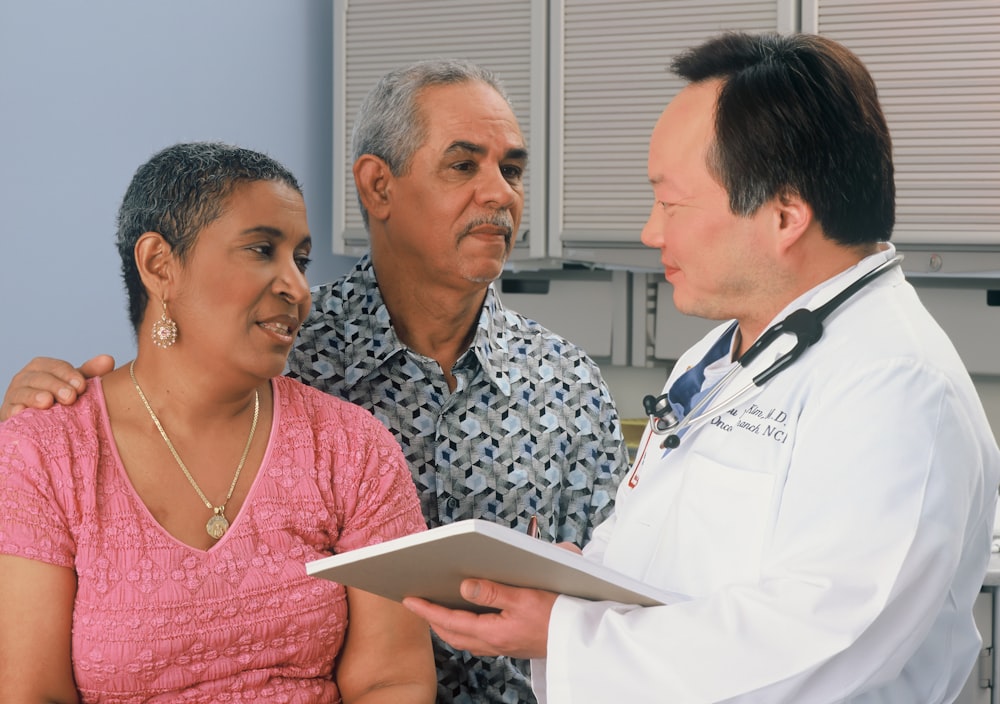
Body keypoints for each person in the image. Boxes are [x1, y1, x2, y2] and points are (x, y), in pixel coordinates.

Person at [0, 60, 629, 703]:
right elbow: (164, 386)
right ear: (377, 187)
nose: (501, 193)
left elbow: (622, 597)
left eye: (513, 171)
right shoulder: (277, 348)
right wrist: (35, 426)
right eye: (464, 165)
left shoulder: (567, 385)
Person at [401, 32, 1000, 703]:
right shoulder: (719, 355)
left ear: (785, 214)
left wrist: (566, 632)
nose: (651, 232)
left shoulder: (897, 386)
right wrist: (576, 580)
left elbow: (822, 647)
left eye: (673, 203)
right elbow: (668, 548)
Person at [0, 142, 436, 703]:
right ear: (160, 265)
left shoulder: (352, 448)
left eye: (300, 261)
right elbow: (32, 692)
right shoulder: (45, 452)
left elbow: (392, 679)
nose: (298, 289)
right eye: (261, 250)